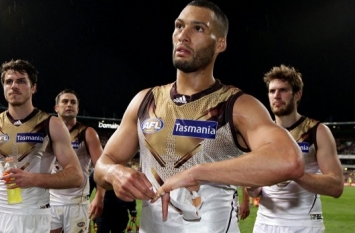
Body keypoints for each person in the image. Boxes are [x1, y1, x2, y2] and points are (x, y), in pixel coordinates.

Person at [94, 1, 304, 232]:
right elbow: (104, 164)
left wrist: (198, 173)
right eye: (179, 26)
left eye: (198, 28)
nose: (183, 35)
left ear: (220, 43)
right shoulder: (145, 101)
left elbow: (289, 159)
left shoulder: (236, 105)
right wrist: (116, 173)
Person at [0, 59, 84, 233]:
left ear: (33, 88)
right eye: (9, 81)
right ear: (3, 87)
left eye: (21, 81)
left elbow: (76, 176)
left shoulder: (51, 124)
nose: (14, 86)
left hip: (33, 216)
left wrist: (33, 179)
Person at [247, 64, 344, 233]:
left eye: (283, 90)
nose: (276, 96)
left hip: (304, 223)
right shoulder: (259, 132)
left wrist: (295, 173)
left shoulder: (317, 131)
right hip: (264, 223)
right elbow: (255, 192)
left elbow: (336, 186)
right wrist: (252, 186)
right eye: (272, 91)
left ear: (297, 94)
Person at [50, 89, 105, 233]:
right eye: (65, 101)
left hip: (77, 202)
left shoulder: (87, 133)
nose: (69, 105)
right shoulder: (47, 132)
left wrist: (99, 197)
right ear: (56, 108)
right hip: (51, 200)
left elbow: (102, 168)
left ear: (77, 108)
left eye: (73, 102)